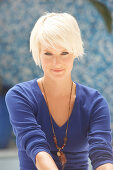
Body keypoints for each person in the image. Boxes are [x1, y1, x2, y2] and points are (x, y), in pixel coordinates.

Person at [5, 12, 113, 170]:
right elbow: (37, 150)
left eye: (64, 53)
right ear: (38, 53)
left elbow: (101, 154)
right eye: (48, 53)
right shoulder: (20, 96)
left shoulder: (95, 102)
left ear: (75, 52)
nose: (56, 62)